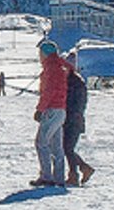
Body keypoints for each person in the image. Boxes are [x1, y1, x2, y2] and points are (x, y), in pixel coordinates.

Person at [32, 41, 69, 186]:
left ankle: (47, 176)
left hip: (51, 110)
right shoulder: (59, 67)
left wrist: (40, 109)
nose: (39, 56)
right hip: (60, 110)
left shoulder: (51, 69)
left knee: (41, 142)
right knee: (56, 145)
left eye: (40, 53)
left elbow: (48, 91)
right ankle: (58, 178)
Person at [63, 58, 94, 184]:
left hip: (73, 120)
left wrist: (71, 114)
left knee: (67, 148)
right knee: (65, 147)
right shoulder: (69, 81)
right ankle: (82, 168)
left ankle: (75, 173)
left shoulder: (76, 82)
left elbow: (78, 104)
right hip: (68, 118)